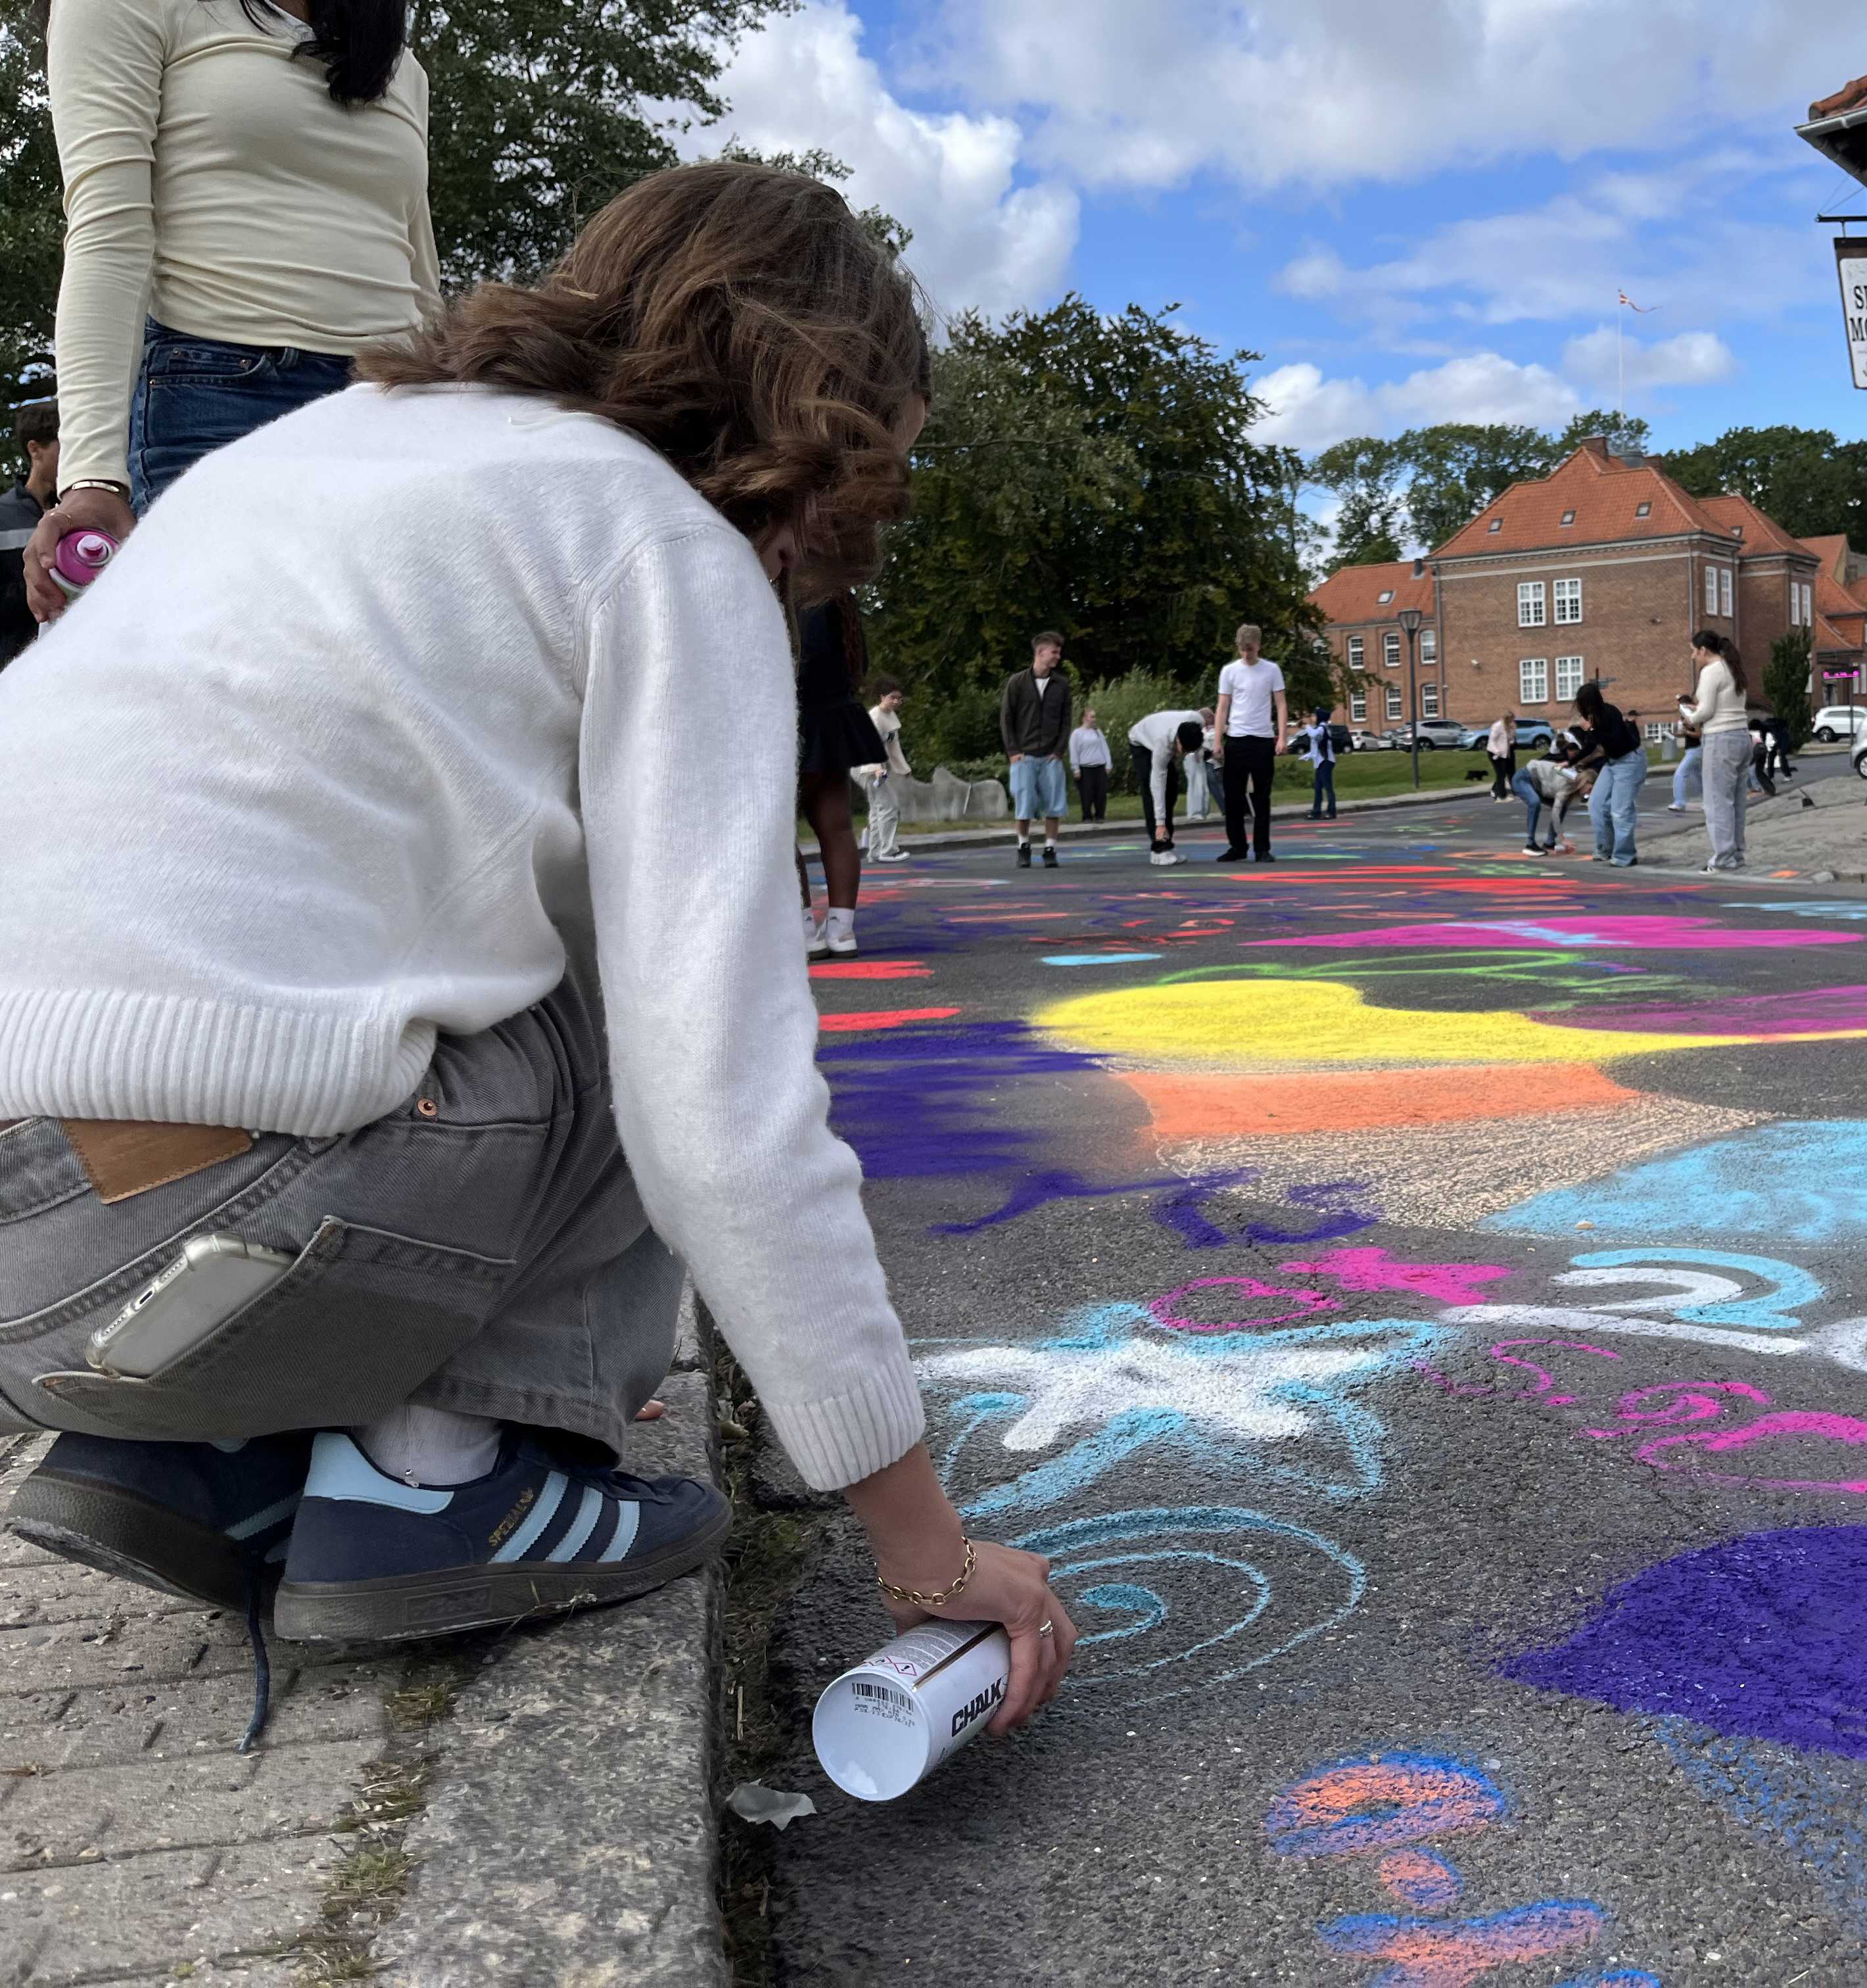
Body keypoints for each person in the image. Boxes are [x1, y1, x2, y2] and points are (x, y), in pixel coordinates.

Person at [0, 163, 1079, 1718]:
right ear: (813, 416)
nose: (858, 535)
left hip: (38, 1273)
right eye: (872, 481)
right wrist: (925, 1557)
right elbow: (722, 1120)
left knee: (418, 983)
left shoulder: (321, 443)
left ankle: (201, 1451)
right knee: (643, 1004)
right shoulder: (661, 540)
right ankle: (439, 1481)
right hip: (183, 1215)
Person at [28, 0, 440, 621]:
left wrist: (457, 402)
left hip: (399, 408)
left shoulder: (397, 63)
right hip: (220, 401)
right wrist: (91, 476)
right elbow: (107, 239)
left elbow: (418, 264)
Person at [797, 598, 886, 956]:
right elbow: (858, 663)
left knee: (776, 832)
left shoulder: (798, 596)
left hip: (797, 717)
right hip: (835, 718)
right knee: (837, 827)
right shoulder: (840, 598)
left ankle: (800, 930)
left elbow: (803, 661)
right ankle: (841, 931)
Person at [1214, 622, 1288, 863]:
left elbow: (1281, 704)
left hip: (1263, 739)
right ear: (1238, 648)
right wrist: (1217, 742)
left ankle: (1262, 848)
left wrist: (1282, 737)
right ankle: (1237, 846)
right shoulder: (1229, 671)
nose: (1247, 654)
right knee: (1233, 797)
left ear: (1258, 646)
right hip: (1236, 739)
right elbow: (1222, 707)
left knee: (1261, 797)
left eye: (1251, 649)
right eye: (1243, 650)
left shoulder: (1271, 670)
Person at [1000, 632, 1074, 868]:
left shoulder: (1061, 685)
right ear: (1040, 653)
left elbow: (1066, 720)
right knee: (1024, 804)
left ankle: (1050, 849)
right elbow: (1007, 719)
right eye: (1054, 652)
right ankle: (1024, 846)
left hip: (1051, 755)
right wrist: (1013, 751)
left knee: (1055, 805)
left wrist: (1060, 751)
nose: (1058, 657)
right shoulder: (1017, 682)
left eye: (1059, 652)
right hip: (1024, 755)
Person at [1682, 630, 1749, 874]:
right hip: (1742, 735)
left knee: (1716, 803)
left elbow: (1707, 711)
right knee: (1737, 803)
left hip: (1720, 739)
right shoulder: (1732, 667)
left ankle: (1722, 859)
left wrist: (1690, 717)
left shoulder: (1710, 671)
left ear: (1703, 650)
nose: (1693, 656)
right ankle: (1737, 854)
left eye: (1694, 651)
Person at [0, 400, 60, 667]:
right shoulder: (2, 515)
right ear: (35, 449)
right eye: (65, 446)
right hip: (17, 669)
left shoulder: (82, 511)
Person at [1569, 682, 1647, 867]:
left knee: (1620, 811)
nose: (1580, 708)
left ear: (1590, 702)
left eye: (1582, 704)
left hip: (1629, 761)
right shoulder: (1592, 718)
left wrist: (1593, 729)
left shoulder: (1610, 713)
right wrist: (1570, 762)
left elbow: (1616, 741)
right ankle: (1606, 849)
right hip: (1612, 763)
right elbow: (1590, 745)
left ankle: (1625, 856)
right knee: (1596, 804)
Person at [1127, 706, 1208, 866]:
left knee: (1172, 790)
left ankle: (1167, 845)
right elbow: (1157, 786)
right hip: (1140, 742)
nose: (1184, 754)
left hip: (1159, 732)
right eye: (1184, 750)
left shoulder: (1196, 721)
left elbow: (1203, 716)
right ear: (1178, 740)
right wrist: (1160, 823)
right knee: (1156, 795)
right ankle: (1159, 849)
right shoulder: (1162, 745)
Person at [853, 678, 910, 864]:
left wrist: (904, 769)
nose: (896, 702)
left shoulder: (891, 717)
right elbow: (871, 744)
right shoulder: (874, 716)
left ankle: (875, 852)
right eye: (893, 698)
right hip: (865, 766)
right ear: (882, 697)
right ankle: (888, 851)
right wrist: (877, 769)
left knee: (878, 809)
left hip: (876, 766)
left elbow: (894, 747)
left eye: (899, 699)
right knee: (889, 806)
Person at [1068, 705, 1112, 824]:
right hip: (1085, 768)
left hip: (1099, 767)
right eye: (1092, 717)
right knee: (1087, 793)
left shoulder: (1097, 732)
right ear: (1085, 718)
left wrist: (1108, 764)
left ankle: (1100, 816)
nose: (1094, 719)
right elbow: (1074, 751)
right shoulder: (1077, 734)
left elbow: (1105, 748)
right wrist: (1075, 768)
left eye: (1095, 717)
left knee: (1101, 793)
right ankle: (1087, 816)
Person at [1302, 707, 1340, 820]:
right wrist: (1307, 756)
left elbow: (1314, 735)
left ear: (1320, 717)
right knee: (1318, 787)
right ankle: (1316, 811)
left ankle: (1331, 811)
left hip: (1327, 761)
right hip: (1320, 762)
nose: (1313, 718)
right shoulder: (1319, 728)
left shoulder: (1323, 728)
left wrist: (1307, 726)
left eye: (1315, 715)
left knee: (1328, 787)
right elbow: (1316, 747)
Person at [1486, 713, 1515, 799]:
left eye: (1513, 720)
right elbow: (1492, 741)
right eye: (1511, 720)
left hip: (1504, 753)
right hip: (1494, 753)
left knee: (1508, 772)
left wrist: (1512, 732)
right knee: (1501, 774)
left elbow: (1510, 739)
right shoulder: (1498, 726)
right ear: (1506, 719)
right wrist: (1497, 751)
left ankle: (1500, 792)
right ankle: (1502, 796)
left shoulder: (1509, 726)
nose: (1512, 722)